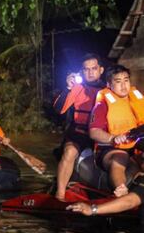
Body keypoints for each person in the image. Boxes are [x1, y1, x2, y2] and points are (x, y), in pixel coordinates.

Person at [54, 53, 106, 201]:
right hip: (79, 132)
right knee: (69, 151)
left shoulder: (108, 89)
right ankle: (60, 194)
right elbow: (59, 109)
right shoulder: (77, 88)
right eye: (86, 69)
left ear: (101, 70)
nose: (90, 72)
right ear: (82, 71)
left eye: (94, 68)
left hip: (101, 133)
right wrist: (68, 88)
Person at [89, 65, 144, 197]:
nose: (124, 86)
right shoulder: (102, 105)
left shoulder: (137, 97)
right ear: (109, 84)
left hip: (135, 145)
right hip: (110, 148)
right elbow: (94, 131)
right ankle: (121, 191)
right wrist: (112, 138)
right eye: (118, 82)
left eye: (126, 80)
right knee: (121, 157)